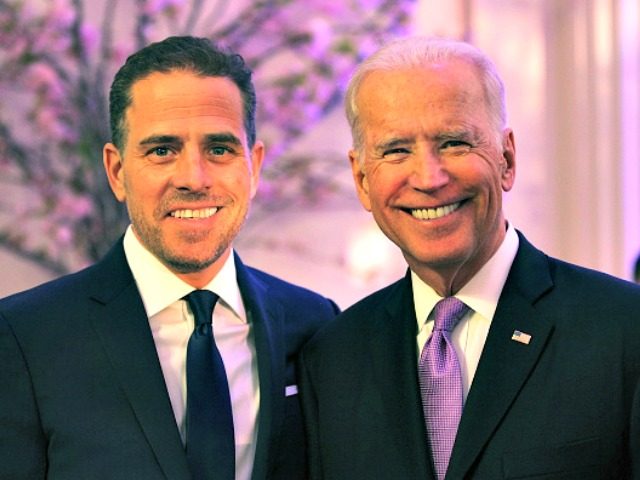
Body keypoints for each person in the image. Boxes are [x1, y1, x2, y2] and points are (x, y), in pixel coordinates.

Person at [299, 36, 640, 479]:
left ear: (507, 159)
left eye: (455, 142)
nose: (428, 177)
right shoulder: (333, 358)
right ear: (362, 179)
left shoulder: (624, 330)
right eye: (396, 150)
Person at [0, 35, 339, 480]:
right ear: (117, 172)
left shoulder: (314, 324)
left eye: (219, 149)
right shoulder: (24, 337)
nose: (193, 178)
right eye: (162, 150)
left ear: (253, 168)